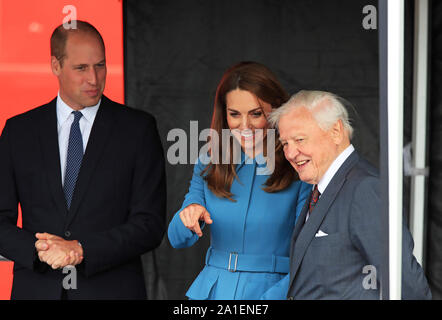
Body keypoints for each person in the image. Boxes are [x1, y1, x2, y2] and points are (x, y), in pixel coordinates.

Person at [0, 20, 166, 299]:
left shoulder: (138, 129)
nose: (94, 78)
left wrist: (81, 249)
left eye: (100, 65)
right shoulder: (19, 131)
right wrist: (38, 250)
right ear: (55, 66)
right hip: (37, 290)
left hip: (112, 291)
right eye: (81, 68)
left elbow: (149, 224)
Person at [167, 61, 311, 300]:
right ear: (224, 114)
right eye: (235, 114)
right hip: (212, 291)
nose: (245, 126)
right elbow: (176, 239)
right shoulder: (210, 161)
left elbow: (307, 257)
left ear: (276, 111)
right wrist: (189, 215)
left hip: (272, 292)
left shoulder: (297, 166)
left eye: (256, 114)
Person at [268, 90, 432, 299]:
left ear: (336, 131)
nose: (290, 153)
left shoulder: (365, 189)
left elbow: (407, 286)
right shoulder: (321, 186)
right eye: (285, 144)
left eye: (300, 139)